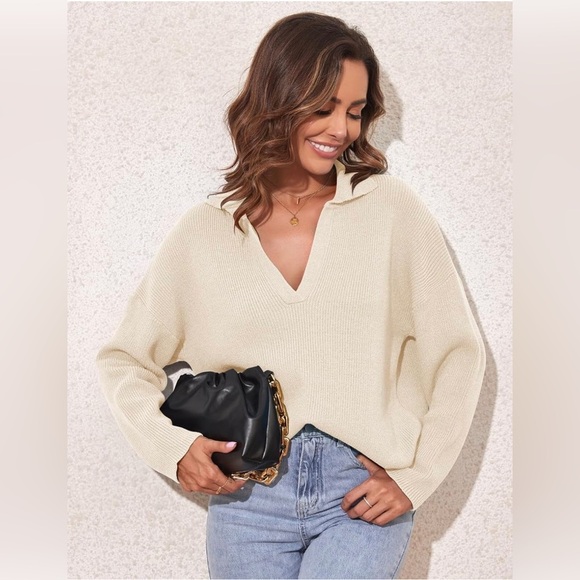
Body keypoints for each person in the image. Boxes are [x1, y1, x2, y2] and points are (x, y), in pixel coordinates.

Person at [96, 12, 486, 580]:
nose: (341, 129)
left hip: (360, 493)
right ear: (278, 99)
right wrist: (171, 448)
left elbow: (457, 352)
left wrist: (418, 477)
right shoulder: (209, 229)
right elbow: (124, 359)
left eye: (354, 111)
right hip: (248, 499)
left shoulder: (390, 210)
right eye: (323, 107)